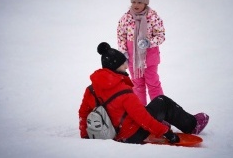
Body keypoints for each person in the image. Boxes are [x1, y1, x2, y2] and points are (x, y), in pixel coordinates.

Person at [78, 42, 209, 144]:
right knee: (162, 102)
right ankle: (192, 125)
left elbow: (83, 114)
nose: (126, 66)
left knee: (148, 108)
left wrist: (85, 136)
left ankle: (167, 121)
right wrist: (167, 133)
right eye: (124, 63)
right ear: (115, 66)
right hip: (131, 135)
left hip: (113, 132)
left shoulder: (91, 89)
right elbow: (143, 118)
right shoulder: (124, 91)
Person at [117, 0, 166, 105]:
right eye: (133, 2)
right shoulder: (126, 17)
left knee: (153, 84)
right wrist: (123, 52)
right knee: (137, 86)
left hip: (150, 60)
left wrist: (149, 43)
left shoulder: (153, 17)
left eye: (139, 2)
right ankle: (141, 112)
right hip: (133, 61)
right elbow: (120, 35)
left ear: (145, 2)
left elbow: (161, 35)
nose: (136, 5)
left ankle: (160, 110)